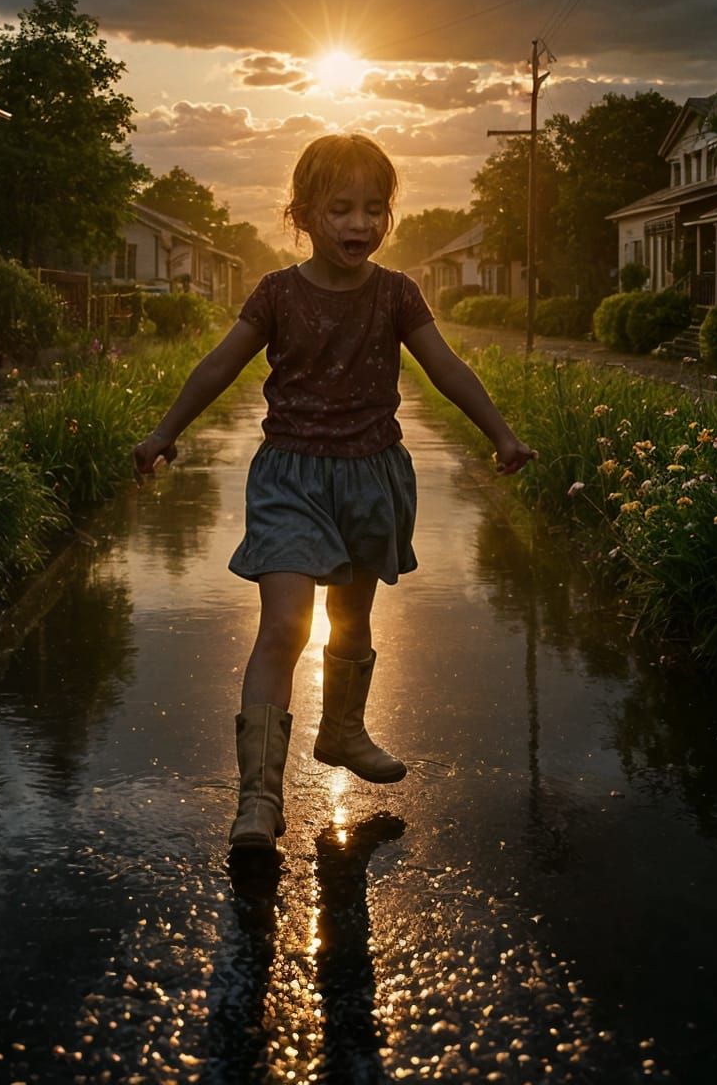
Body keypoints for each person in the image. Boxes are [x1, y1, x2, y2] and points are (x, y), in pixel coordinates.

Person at [132, 133, 537, 852]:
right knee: (287, 623)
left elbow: (445, 367)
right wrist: (164, 432)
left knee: (351, 621)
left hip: (372, 476)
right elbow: (218, 366)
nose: (359, 224)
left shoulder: (396, 293)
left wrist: (500, 433)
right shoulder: (278, 293)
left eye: (373, 209)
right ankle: (258, 798)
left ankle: (343, 731)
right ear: (303, 214)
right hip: (291, 476)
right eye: (340, 208)